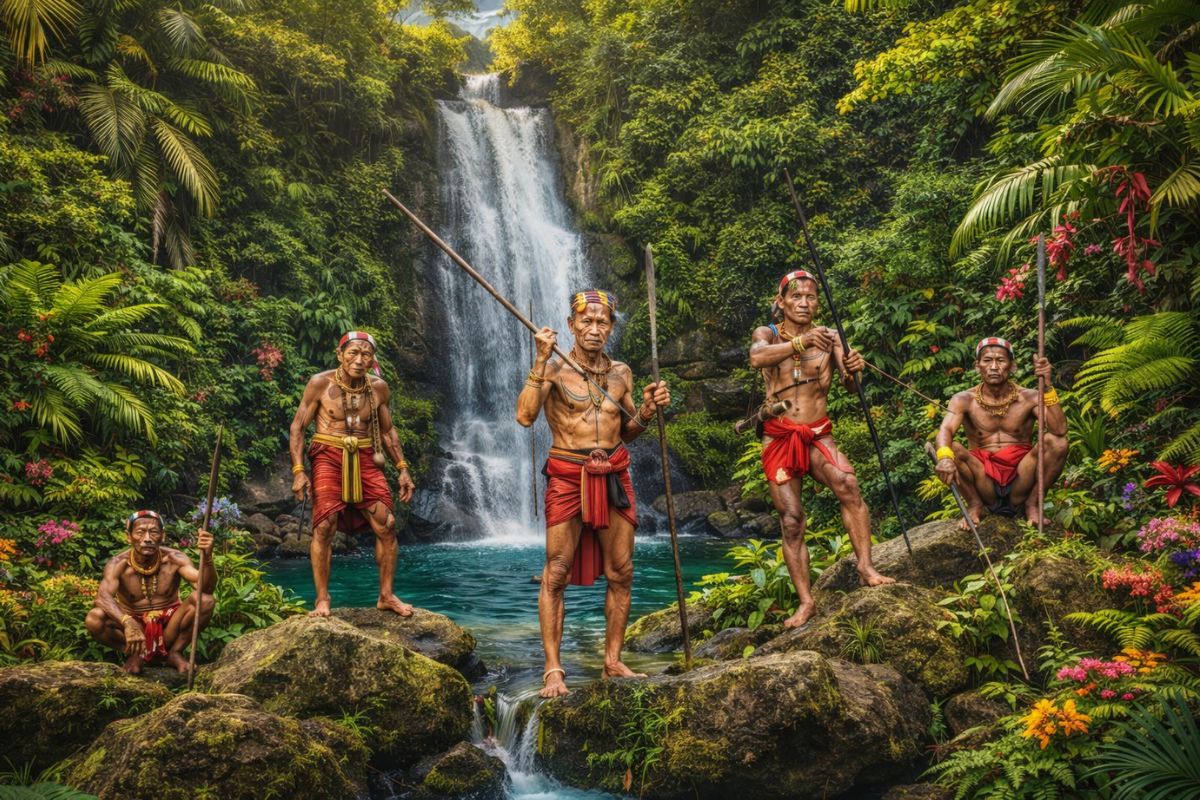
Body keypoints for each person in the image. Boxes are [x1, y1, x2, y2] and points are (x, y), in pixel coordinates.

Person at [516, 290, 670, 698]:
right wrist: (538, 361)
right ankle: (553, 669)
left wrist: (649, 412)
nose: (594, 329)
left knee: (622, 571)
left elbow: (628, 429)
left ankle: (613, 661)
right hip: (568, 473)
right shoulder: (552, 370)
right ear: (571, 325)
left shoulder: (621, 373)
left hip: (615, 472)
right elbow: (525, 417)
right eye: (586, 322)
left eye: (602, 323)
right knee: (557, 570)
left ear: (611, 328)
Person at [749, 270, 894, 630]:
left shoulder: (831, 338)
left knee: (848, 485)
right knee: (792, 520)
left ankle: (865, 567)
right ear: (781, 302)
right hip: (780, 435)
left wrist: (853, 372)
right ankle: (806, 602)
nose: (803, 302)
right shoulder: (767, 334)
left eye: (811, 297)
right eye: (795, 296)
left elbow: (850, 386)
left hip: (817, 434)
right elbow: (757, 357)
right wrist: (800, 343)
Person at [288, 331, 417, 617]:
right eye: (353, 353)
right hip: (328, 455)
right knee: (324, 527)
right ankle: (322, 599)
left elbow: (387, 431)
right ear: (340, 355)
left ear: (372, 360)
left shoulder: (379, 388)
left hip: (366, 456)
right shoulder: (320, 383)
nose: (359, 360)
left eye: (366, 355)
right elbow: (298, 427)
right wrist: (298, 471)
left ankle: (386, 595)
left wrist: (403, 470)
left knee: (387, 524)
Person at [934, 337, 1068, 527]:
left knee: (1057, 442)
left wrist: (1046, 386)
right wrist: (944, 458)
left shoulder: (1029, 397)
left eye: (1001, 360)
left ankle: (1032, 504)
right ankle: (975, 504)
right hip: (984, 481)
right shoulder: (964, 399)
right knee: (951, 449)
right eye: (987, 360)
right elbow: (945, 429)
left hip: (1021, 477)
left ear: (1012, 366)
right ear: (977, 366)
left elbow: (1059, 430)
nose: (994, 366)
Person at [86, 510, 214, 674]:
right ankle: (137, 653)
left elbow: (206, 588)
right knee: (94, 618)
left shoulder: (175, 559)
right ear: (129, 536)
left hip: (170, 626)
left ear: (162, 535)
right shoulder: (118, 564)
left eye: (153, 532)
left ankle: (174, 652)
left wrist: (208, 558)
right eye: (140, 532)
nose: (147, 538)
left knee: (205, 600)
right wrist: (127, 622)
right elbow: (102, 597)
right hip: (135, 629)